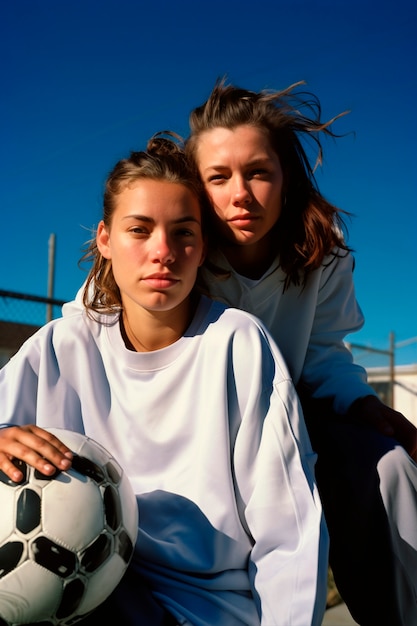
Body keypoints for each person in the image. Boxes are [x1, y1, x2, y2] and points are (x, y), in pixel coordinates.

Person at [0, 134, 328, 626]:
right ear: (106, 239)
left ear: (203, 248)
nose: (163, 252)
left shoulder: (236, 344)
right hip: (72, 602)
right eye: (140, 229)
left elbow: (290, 530)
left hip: (201, 613)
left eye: (183, 233)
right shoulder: (60, 347)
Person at [183, 79, 417, 626]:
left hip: (295, 421)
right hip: (194, 427)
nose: (240, 193)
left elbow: (324, 354)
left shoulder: (321, 254)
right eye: (218, 177)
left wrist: (364, 406)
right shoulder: (175, 248)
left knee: (390, 468)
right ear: (197, 188)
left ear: (285, 178)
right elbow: (88, 322)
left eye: (258, 171)